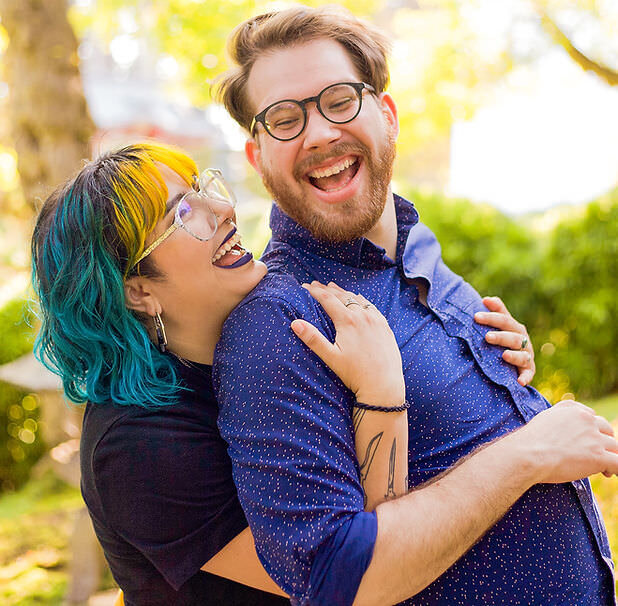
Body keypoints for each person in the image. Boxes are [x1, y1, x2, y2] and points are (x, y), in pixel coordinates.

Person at [212, 6, 618, 605]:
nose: (320, 132)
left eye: (340, 100)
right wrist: (530, 450)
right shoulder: (275, 325)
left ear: (388, 114)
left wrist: (502, 376)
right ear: (256, 158)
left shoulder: (417, 245)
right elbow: (334, 580)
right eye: (284, 118)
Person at [31, 142, 467, 604]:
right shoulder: (136, 446)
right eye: (183, 214)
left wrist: (479, 340)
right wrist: (381, 391)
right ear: (137, 292)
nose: (223, 207)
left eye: (203, 189)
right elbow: (357, 580)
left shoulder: (260, 340)